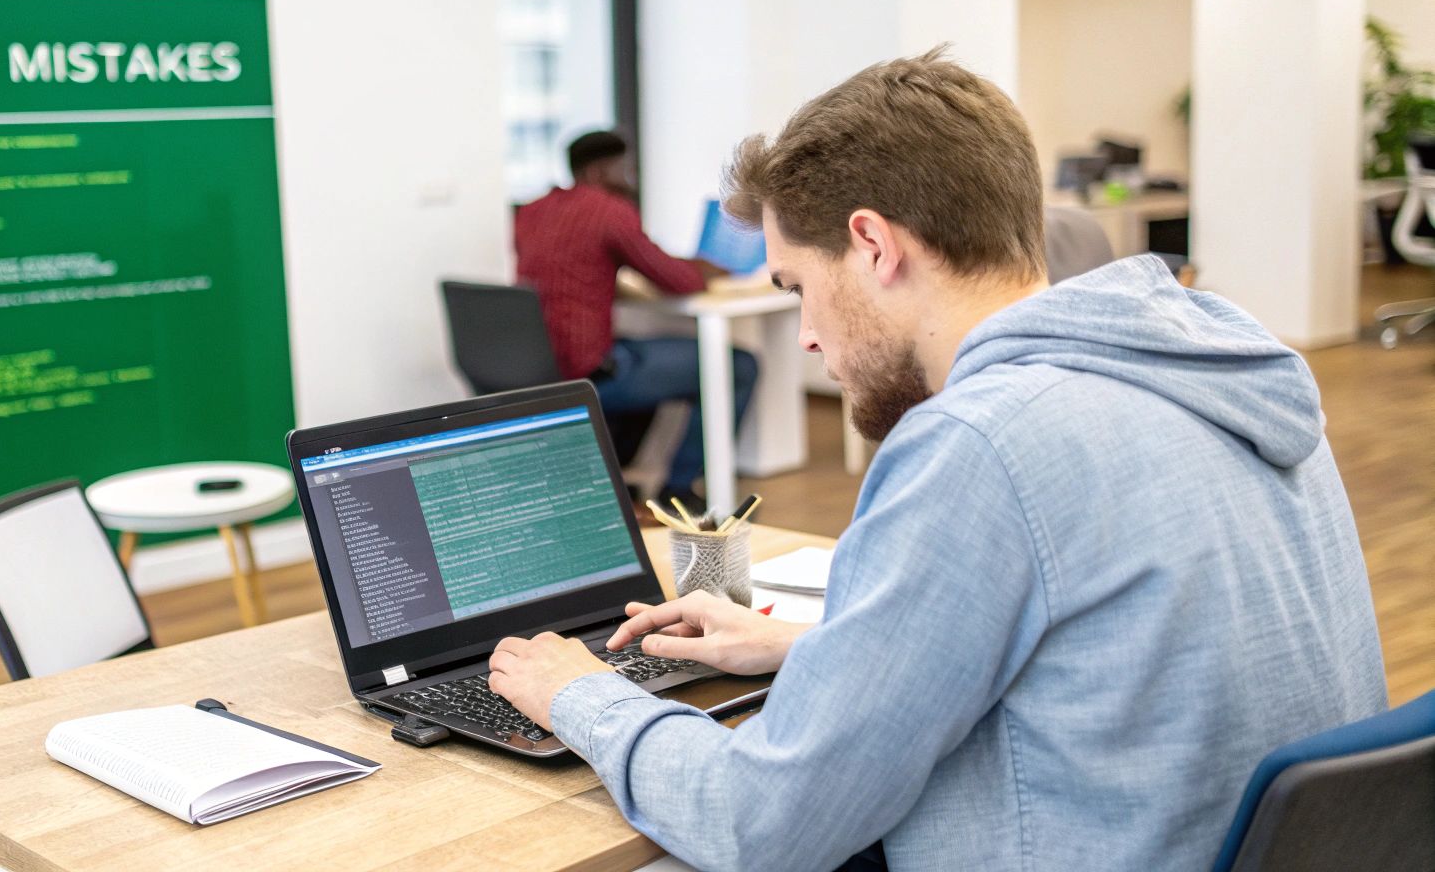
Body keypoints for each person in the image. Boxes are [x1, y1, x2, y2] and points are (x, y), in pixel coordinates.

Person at [488, 50, 1386, 871]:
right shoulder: (1220, 367)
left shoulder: (984, 441)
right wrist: (817, 651)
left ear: (874, 245)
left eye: (799, 288)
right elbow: (1109, 655)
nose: (803, 336)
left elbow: (758, 822)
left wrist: (582, 694)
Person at [515, 130, 757, 512]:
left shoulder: (532, 210)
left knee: (651, 350)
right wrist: (708, 270)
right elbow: (679, 282)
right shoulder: (608, 211)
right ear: (599, 171)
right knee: (738, 366)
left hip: (543, 366)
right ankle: (681, 492)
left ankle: (620, 479)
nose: (630, 178)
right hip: (591, 372)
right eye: (624, 168)